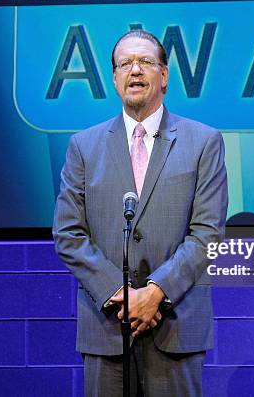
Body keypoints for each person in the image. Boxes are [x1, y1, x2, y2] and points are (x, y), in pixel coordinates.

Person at [53, 29, 228, 397]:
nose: (135, 70)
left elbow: (207, 234)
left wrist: (157, 291)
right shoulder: (83, 146)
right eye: (125, 63)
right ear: (115, 78)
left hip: (175, 325)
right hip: (107, 326)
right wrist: (119, 292)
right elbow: (68, 234)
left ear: (164, 76)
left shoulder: (203, 141)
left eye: (146, 62)